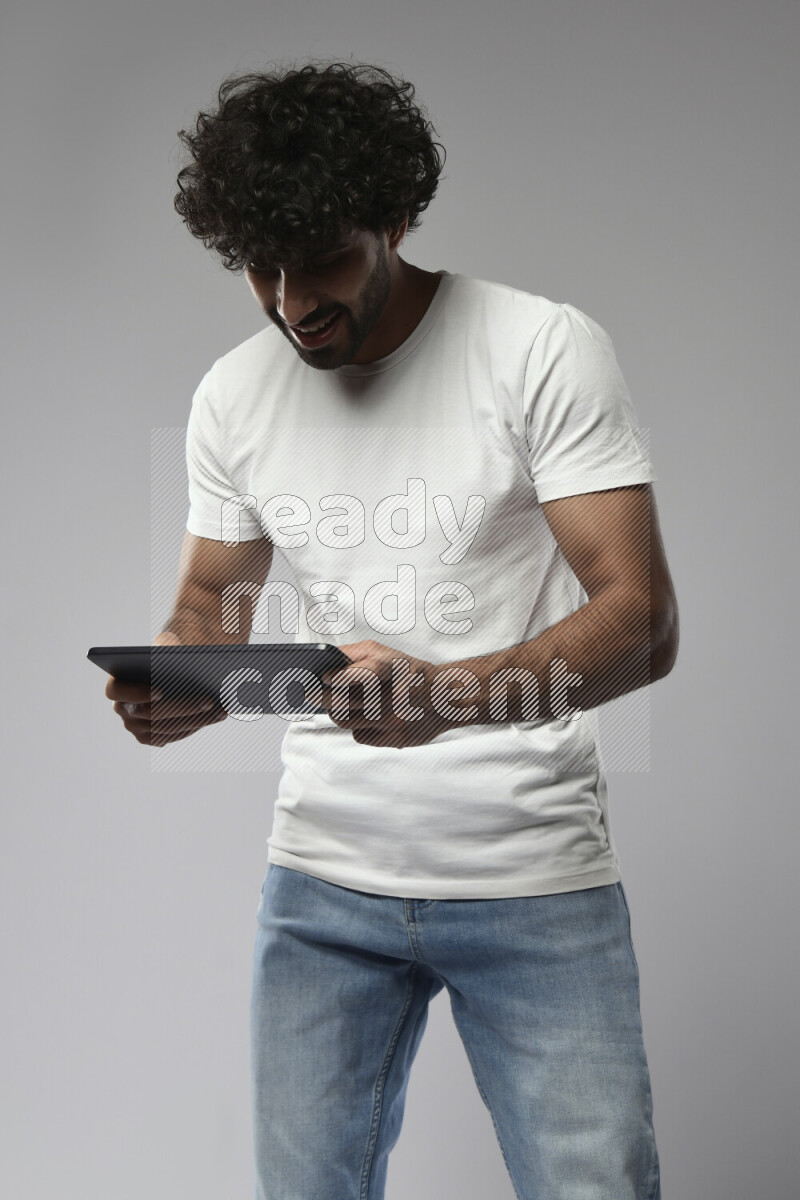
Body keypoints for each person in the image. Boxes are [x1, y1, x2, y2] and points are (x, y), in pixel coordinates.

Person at [105, 61, 678, 1200]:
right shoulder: (233, 395)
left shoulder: (539, 348)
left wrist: (447, 700)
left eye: (320, 259)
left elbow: (641, 621)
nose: (290, 303)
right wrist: (184, 676)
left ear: (397, 220)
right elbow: (210, 606)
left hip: (532, 878)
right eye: (259, 267)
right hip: (319, 887)